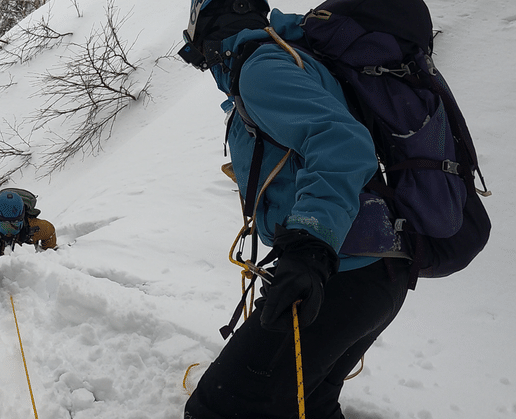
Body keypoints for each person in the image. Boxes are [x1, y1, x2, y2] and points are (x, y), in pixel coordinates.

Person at [179, 0, 421, 418]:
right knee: (309, 402)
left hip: (339, 272)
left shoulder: (259, 67)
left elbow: (342, 142)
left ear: (207, 33)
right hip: (376, 271)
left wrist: (310, 245)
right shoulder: (292, 58)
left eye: (199, 55)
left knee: (219, 408)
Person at [0, 190, 57, 262]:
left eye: (14, 224)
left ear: (22, 219)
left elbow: (50, 232)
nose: (9, 231)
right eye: (4, 225)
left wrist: (47, 252)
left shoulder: (34, 226)